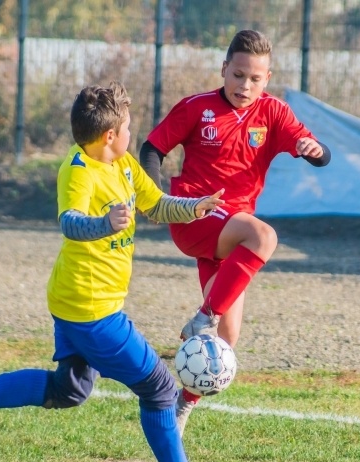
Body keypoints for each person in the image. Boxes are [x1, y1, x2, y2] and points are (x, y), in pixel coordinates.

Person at [0, 81, 239, 462]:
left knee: (68, 390)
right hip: (91, 308)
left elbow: (156, 205)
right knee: (159, 387)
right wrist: (104, 224)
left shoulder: (123, 164)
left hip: (77, 301)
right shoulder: (78, 168)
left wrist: (194, 207)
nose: (131, 134)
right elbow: (70, 222)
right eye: (127, 127)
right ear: (109, 135)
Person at [139, 29, 331, 436]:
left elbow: (315, 148)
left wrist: (313, 150)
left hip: (230, 231)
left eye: (255, 78)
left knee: (225, 340)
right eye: (238, 75)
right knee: (264, 238)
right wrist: (156, 199)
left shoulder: (273, 113)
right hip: (194, 214)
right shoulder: (197, 108)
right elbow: (152, 149)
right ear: (224, 69)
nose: (245, 85)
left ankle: (181, 405)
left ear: (267, 78)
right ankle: (203, 317)